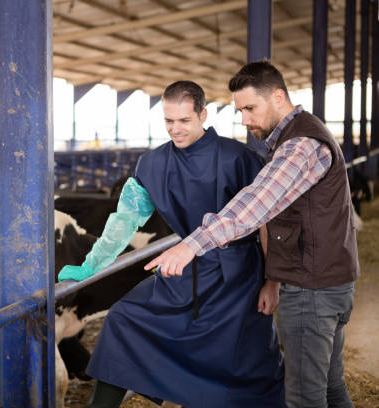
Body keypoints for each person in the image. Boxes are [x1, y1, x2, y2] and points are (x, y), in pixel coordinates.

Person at [59, 80, 285, 408]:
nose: (175, 130)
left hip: (238, 276)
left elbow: (267, 222)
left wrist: (272, 282)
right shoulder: (152, 164)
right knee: (124, 319)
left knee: (243, 360)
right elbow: (125, 220)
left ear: (203, 115)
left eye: (184, 121)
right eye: (169, 121)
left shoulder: (240, 158)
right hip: (182, 269)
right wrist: (93, 264)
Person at [146, 61, 359, 408]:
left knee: (304, 398)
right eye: (239, 110)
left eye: (249, 108)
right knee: (331, 388)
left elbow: (255, 205)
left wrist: (191, 245)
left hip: (311, 290)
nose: (243, 120)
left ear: (277, 97)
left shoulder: (300, 145)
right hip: (330, 281)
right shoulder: (297, 136)